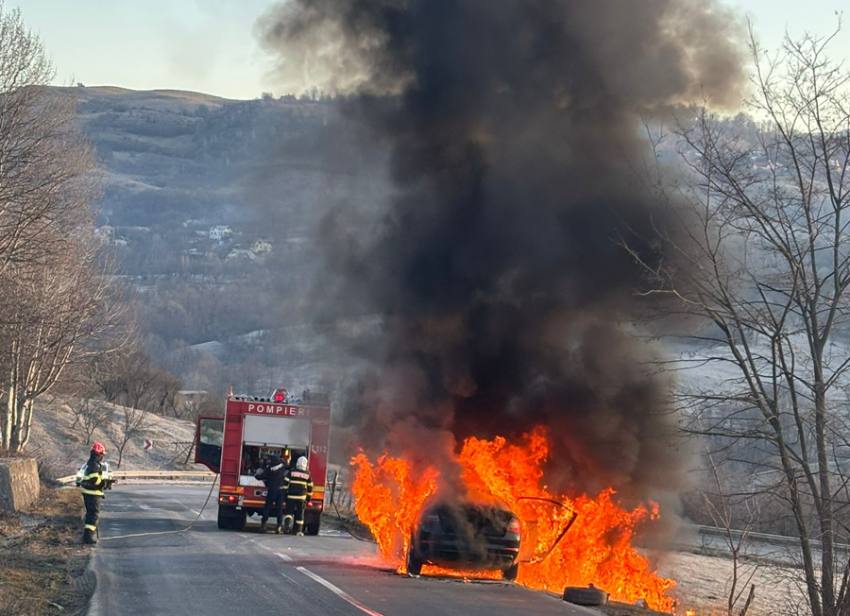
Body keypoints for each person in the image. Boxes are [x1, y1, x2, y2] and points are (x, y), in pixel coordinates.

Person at [76, 442, 112, 545]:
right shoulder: (94, 465)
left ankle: (88, 536)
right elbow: (95, 480)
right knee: (93, 515)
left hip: (90, 493)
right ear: (99, 454)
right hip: (93, 494)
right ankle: (89, 537)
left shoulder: (91, 463)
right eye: (102, 454)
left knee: (90, 514)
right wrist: (104, 483)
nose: (103, 456)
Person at [255, 453, 287, 533]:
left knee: (267, 507)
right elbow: (286, 464)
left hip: (272, 490)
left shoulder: (269, 469)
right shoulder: (282, 467)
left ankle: (263, 525)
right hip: (281, 491)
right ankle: (279, 526)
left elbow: (261, 476)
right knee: (279, 509)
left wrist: (256, 475)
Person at [283, 456, 313, 536]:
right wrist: (308, 499)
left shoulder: (291, 472)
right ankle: (298, 531)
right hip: (301, 498)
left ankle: (286, 528)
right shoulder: (307, 474)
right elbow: (310, 488)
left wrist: (284, 496)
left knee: (289, 513)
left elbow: (285, 484)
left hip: (291, 497)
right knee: (300, 514)